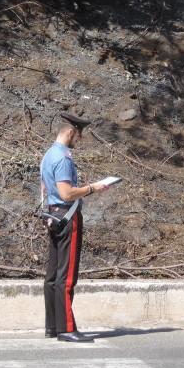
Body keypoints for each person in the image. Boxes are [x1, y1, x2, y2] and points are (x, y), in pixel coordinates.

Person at [40, 111, 110, 343]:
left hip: (53, 215)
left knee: (52, 274)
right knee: (66, 276)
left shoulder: (48, 155)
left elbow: (46, 189)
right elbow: (66, 193)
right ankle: (67, 329)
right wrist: (93, 188)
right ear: (70, 132)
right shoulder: (63, 158)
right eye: (79, 136)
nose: (79, 140)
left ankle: (53, 326)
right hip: (68, 217)